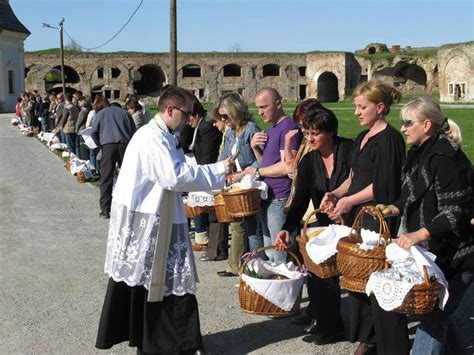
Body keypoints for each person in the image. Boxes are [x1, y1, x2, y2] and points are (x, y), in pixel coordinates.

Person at [95, 86, 234, 354]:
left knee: (159, 282)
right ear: (170, 110)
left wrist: (214, 173)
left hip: (158, 216)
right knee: (159, 282)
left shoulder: (164, 135)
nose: (191, 118)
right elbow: (174, 175)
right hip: (148, 223)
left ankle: (166, 343)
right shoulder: (151, 138)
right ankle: (166, 344)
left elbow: (182, 166)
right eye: (187, 112)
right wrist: (219, 170)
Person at [374, 98, 473, 355]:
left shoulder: (446, 159)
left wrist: (419, 234)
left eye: (408, 123)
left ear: (427, 125)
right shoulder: (418, 154)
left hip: (458, 254)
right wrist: (392, 208)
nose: (403, 128)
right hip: (432, 253)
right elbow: (409, 196)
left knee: (433, 317)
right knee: (437, 316)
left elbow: (458, 210)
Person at [319, 80, 408, 355]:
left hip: (378, 216)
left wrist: (348, 201)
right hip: (359, 216)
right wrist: (335, 194)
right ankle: (368, 337)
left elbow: (383, 185)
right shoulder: (362, 137)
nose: (356, 112)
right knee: (358, 276)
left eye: (362, 106)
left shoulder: (389, 138)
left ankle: (386, 343)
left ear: (380, 108)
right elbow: (353, 178)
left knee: (379, 279)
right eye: (356, 106)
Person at [275, 107, 353, 345]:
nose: (309, 139)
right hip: (324, 224)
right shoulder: (309, 159)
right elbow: (300, 200)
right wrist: (287, 228)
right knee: (320, 276)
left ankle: (365, 332)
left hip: (352, 222)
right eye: (307, 133)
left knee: (356, 278)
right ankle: (329, 327)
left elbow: (360, 180)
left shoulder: (349, 149)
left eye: (315, 134)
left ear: (330, 132)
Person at [244, 87, 303, 262]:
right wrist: (255, 147)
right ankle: (275, 286)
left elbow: (287, 167)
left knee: (280, 253)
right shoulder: (271, 130)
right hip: (268, 196)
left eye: (264, 107)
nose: (260, 112)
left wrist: (257, 171)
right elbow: (267, 164)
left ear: (278, 104)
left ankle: (285, 286)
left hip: (279, 198)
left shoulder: (288, 128)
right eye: (258, 108)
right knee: (270, 251)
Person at [215, 92, 262, 277]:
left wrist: (243, 173)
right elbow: (224, 157)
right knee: (238, 225)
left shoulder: (250, 129)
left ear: (236, 111)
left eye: (225, 116)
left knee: (253, 229)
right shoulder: (231, 132)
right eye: (221, 116)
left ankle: (255, 268)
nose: (223, 120)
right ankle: (241, 265)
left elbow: (263, 160)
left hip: (250, 186)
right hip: (237, 186)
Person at [187, 95, 223, 252]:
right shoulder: (199, 127)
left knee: (205, 207)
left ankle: (205, 238)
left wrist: (201, 170)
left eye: (189, 118)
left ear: (195, 115)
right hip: (201, 167)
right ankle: (203, 237)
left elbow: (208, 153)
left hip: (207, 169)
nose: (188, 122)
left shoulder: (205, 127)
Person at [91, 99, 136, 219]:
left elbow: (93, 131)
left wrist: (100, 144)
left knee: (106, 178)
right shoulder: (126, 113)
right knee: (129, 177)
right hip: (124, 145)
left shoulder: (101, 113)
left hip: (108, 146)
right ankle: (130, 206)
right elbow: (134, 131)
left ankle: (105, 209)